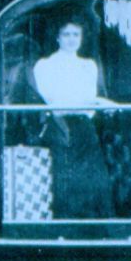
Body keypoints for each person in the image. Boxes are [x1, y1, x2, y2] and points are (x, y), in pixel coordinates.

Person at [32, 19, 115, 218]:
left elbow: (87, 99)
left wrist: (95, 103)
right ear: (58, 38)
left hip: (84, 127)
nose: (71, 39)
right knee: (66, 180)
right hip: (61, 128)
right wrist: (97, 101)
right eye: (66, 34)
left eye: (76, 35)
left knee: (96, 179)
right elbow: (55, 100)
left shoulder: (89, 66)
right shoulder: (45, 65)